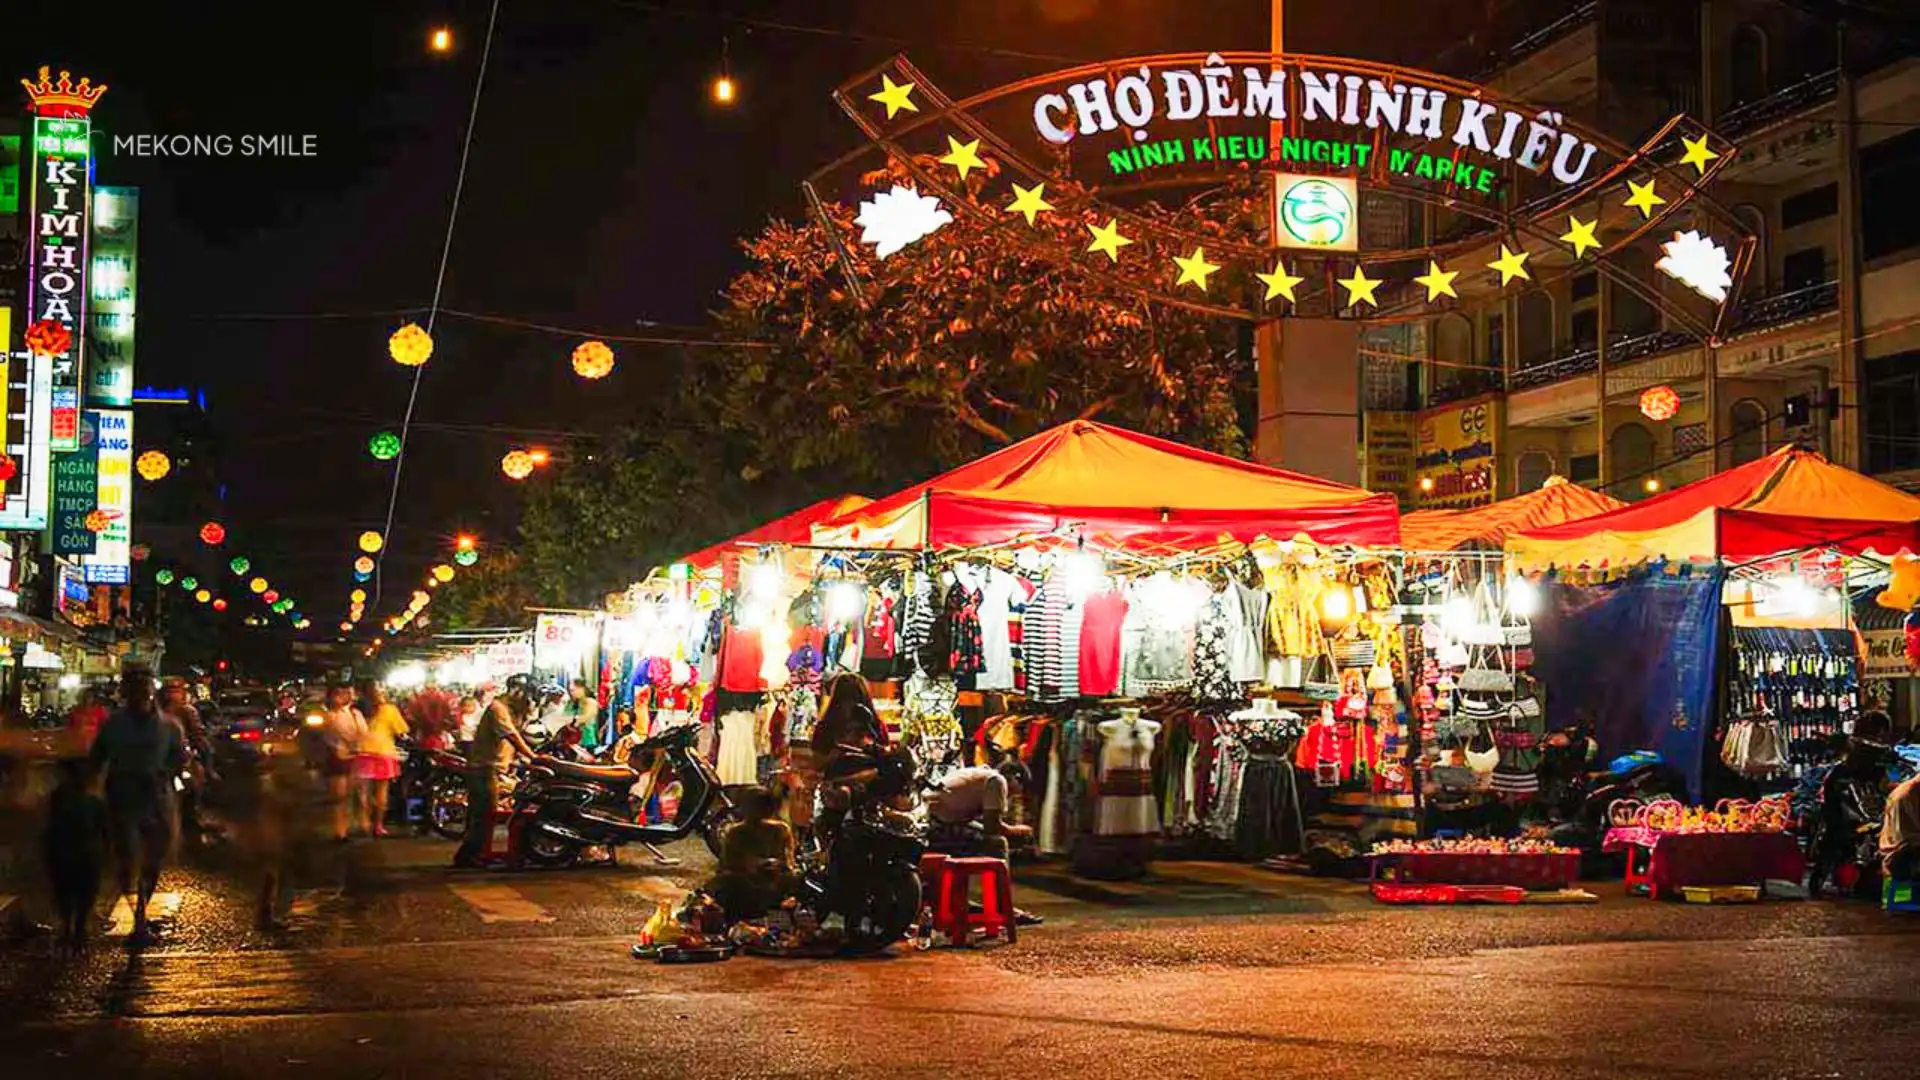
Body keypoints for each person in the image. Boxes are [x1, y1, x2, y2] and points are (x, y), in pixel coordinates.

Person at [89, 666, 185, 947]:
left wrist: (166, 774)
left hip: (157, 798)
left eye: (143, 685)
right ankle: (138, 918)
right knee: (127, 859)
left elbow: (179, 758)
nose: (139, 691)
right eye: (133, 686)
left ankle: (141, 912)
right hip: (123, 797)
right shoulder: (113, 725)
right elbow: (96, 759)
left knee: (154, 857)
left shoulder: (169, 726)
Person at [454, 678, 537, 868]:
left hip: (494, 769)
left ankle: (471, 855)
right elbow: (510, 735)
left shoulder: (508, 710)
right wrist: (533, 757)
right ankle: (471, 856)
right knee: (484, 815)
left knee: (484, 815)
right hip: (484, 769)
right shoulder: (497, 708)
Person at [42, 757, 109, 954]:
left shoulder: (59, 800)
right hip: (85, 853)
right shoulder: (93, 802)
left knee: (65, 892)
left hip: (64, 852)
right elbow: (104, 831)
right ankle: (78, 928)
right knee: (84, 893)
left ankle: (70, 927)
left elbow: (51, 828)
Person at [703, 785, 798, 921]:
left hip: (768, 883)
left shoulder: (779, 830)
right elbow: (729, 866)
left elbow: (786, 863)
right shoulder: (738, 832)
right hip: (748, 882)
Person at [354, 684, 409, 837]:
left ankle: (364, 822)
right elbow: (402, 730)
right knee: (382, 793)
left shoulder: (357, 710)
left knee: (363, 792)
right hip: (384, 753)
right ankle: (378, 826)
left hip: (363, 752)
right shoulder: (390, 709)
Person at [315, 684, 367, 841]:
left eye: (349, 693)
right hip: (338, 757)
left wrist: (356, 744)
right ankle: (340, 830)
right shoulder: (330, 715)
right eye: (342, 693)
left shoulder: (356, 713)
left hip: (355, 756)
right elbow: (331, 732)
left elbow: (364, 733)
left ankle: (361, 823)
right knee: (340, 796)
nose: (347, 696)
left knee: (357, 793)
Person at [65, 688, 109, 754]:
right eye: (86, 696)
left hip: (94, 744)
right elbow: (70, 725)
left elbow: (104, 726)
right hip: (78, 743)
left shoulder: (100, 711)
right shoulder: (77, 710)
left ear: (94, 698)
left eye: (90, 696)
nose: (87, 698)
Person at [568, 678, 602, 747]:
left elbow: (585, 718)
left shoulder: (591, 702)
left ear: (581, 689)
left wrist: (573, 720)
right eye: (570, 691)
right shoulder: (575, 702)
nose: (572, 693)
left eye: (573, 690)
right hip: (576, 741)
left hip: (587, 741)